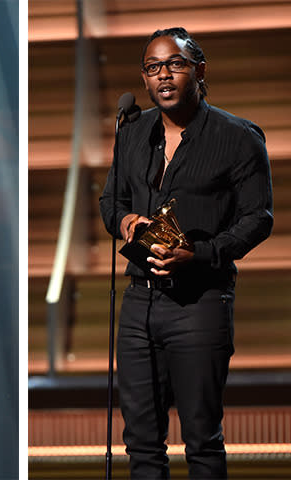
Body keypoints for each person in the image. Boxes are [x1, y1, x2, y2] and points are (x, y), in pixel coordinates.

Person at [99, 27, 273, 479]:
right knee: (140, 443)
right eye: (153, 67)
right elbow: (109, 202)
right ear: (144, 78)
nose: (164, 76)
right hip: (139, 301)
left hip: (201, 302)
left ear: (199, 70)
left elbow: (259, 219)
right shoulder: (132, 132)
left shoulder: (238, 137)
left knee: (201, 439)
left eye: (174, 64)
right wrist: (125, 223)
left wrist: (201, 253)